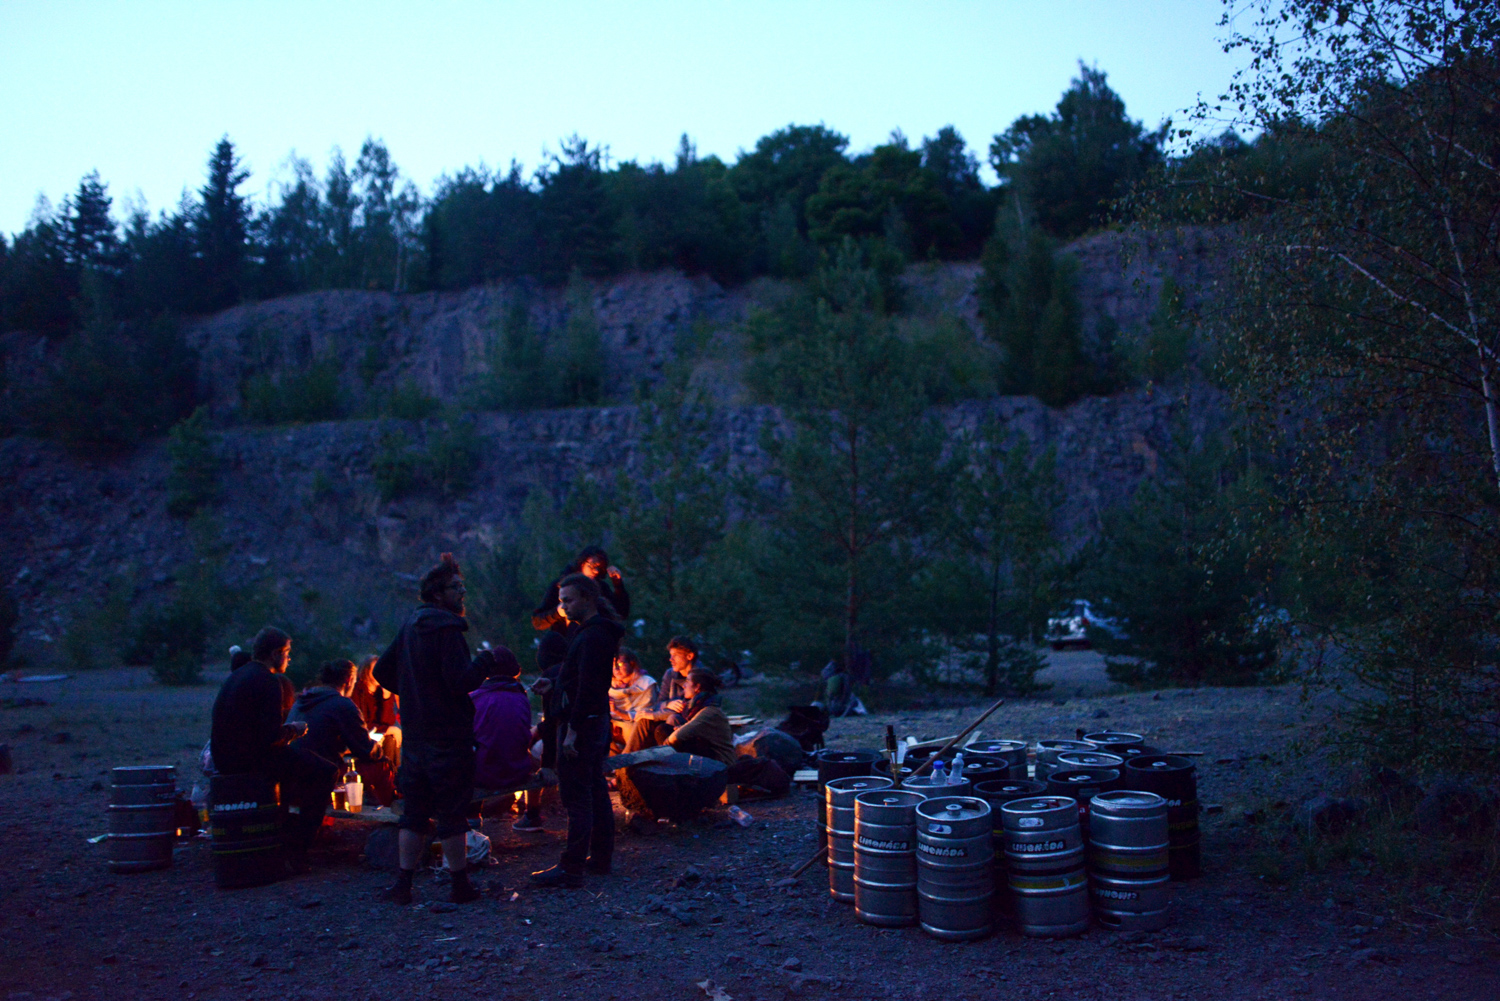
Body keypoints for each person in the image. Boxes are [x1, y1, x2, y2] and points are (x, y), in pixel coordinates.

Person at [373, 553, 494, 906]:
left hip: (414, 737)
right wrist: (486, 661)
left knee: (414, 813)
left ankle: (403, 885)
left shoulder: (411, 624)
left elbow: (381, 671)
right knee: (452, 813)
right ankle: (460, 885)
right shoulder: (447, 628)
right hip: (448, 738)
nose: (463, 592)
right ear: (438, 594)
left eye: (462, 586)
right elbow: (461, 681)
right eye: (456, 587)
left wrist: (415, 693)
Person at [209, 626, 338, 869]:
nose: (289, 659)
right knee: (325, 771)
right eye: (287, 653)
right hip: (248, 760)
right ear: (275, 653)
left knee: (294, 765)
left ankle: (284, 831)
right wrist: (294, 730)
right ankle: (298, 848)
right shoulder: (268, 681)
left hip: (224, 757)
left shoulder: (239, 675)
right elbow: (270, 737)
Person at [530, 572, 624, 888]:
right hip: (592, 722)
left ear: (587, 598)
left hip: (583, 724)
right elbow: (580, 677)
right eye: (561, 601)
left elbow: (590, 688)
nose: (563, 607)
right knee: (594, 789)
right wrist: (555, 684)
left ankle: (571, 868)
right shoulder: (590, 633)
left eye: (568, 600)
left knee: (577, 796)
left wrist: (572, 730)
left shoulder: (594, 636)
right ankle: (600, 858)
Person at [287, 660, 396, 807]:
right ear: (349, 680)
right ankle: (391, 811)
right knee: (381, 766)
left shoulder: (301, 701)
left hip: (294, 773)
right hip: (324, 772)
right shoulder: (342, 704)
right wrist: (378, 749)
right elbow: (366, 750)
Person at [630, 669, 737, 769]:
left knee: (663, 732)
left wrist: (658, 752)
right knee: (664, 729)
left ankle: (666, 770)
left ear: (697, 687)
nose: (684, 685)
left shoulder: (709, 711)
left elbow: (677, 737)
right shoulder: (696, 707)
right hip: (709, 754)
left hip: (721, 761)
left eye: (687, 682)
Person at [531, 547, 630, 633]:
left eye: (599, 568)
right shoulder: (561, 587)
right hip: (567, 644)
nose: (596, 571)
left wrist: (618, 585)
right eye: (592, 566)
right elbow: (537, 621)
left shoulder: (600, 588)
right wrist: (557, 613)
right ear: (582, 563)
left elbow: (621, 613)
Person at [351, 654, 401, 770]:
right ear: (366, 671)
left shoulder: (383, 690)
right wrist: (388, 729)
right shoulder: (358, 691)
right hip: (363, 735)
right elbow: (361, 722)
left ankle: (391, 774)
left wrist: (386, 698)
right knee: (391, 736)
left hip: (379, 734)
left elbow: (388, 721)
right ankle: (387, 773)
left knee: (392, 739)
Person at [608, 648, 657, 749]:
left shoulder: (645, 683)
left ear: (631, 663)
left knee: (630, 729)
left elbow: (645, 713)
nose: (616, 669)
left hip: (635, 725)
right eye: (613, 665)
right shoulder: (608, 685)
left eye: (620, 664)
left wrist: (618, 711)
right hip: (612, 723)